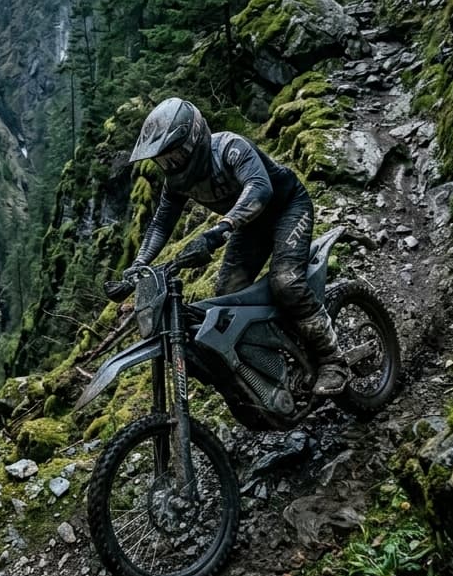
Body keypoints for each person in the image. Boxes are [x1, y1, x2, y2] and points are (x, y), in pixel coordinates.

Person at [125, 96, 348, 398]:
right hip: (248, 226)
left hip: (286, 208)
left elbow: (260, 188)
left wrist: (222, 228)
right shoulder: (175, 182)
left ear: (194, 139)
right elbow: (161, 223)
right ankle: (269, 363)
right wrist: (139, 264)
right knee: (227, 302)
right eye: (164, 160)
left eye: (175, 156)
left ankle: (332, 360)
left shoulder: (230, 147)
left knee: (286, 282)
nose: (171, 165)